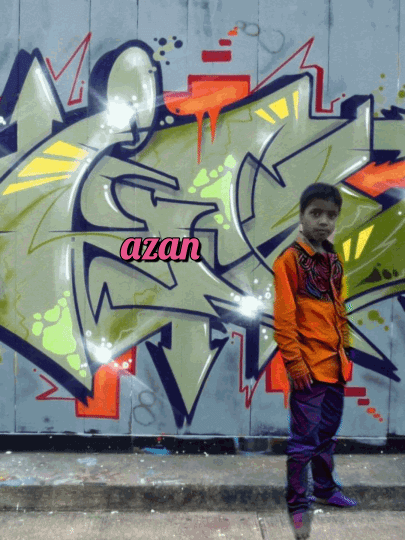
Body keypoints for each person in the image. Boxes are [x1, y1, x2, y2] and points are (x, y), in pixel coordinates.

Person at [272, 183, 357, 539]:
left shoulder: (334, 260)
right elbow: (284, 321)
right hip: (308, 370)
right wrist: (295, 364)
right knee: (303, 440)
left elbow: (339, 310)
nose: (324, 221)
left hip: (335, 367)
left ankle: (324, 488)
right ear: (302, 216)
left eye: (331, 215)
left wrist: (346, 350)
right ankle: (297, 504)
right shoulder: (289, 261)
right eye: (316, 213)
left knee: (326, 434)